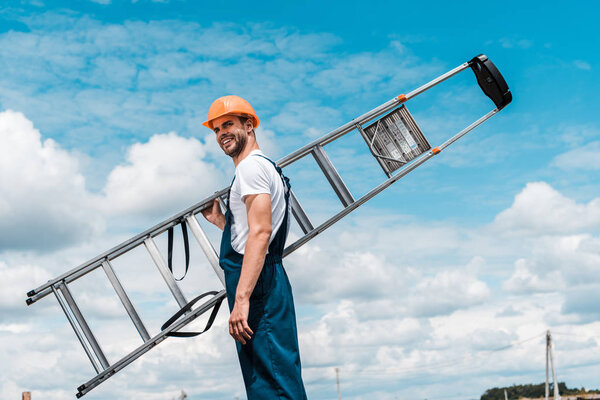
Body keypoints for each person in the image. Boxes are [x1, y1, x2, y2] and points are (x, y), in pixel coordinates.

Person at [201, 95, 308, 399]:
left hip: (259, 288)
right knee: (275, 375)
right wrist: (223, 223)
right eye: (217, 129)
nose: (222, 133)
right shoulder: (262, 168)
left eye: (229, 124)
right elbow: (252, 233)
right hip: (267, 281)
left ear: (249, 125)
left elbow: (261, 233)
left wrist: (242, 299)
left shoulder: (250, 169)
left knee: (272, 382)